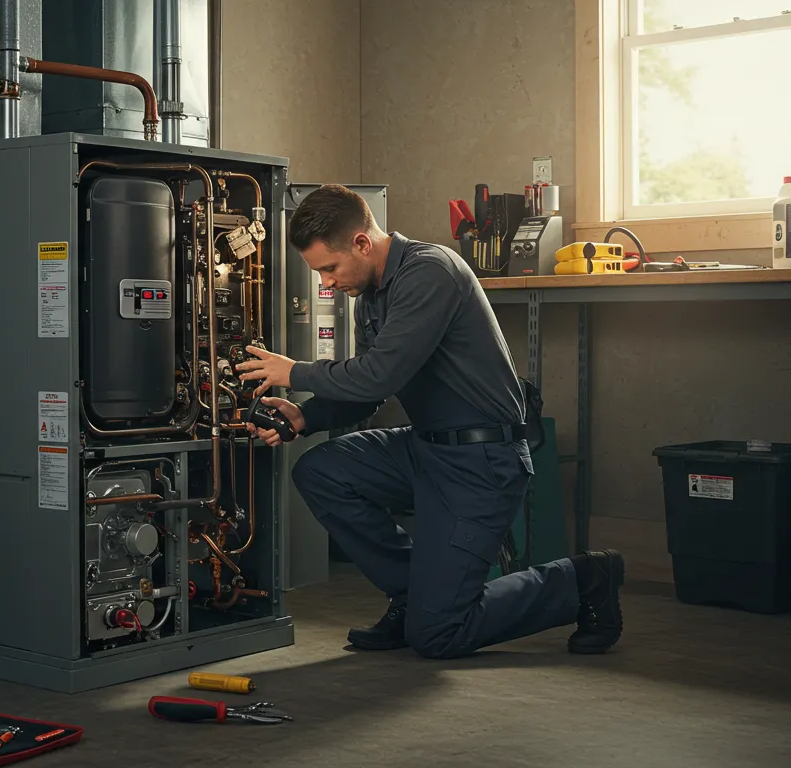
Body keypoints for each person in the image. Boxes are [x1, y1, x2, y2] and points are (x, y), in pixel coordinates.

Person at [235, 184, 625, 659]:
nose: (326, 284)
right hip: (427, 450)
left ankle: (585, 579)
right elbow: (368, 393)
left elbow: (381, 373)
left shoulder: (429, 271)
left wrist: (292, 371)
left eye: (329, 269)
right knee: (321, 470)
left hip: (482, 463)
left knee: (439, 634)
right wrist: (304, 415)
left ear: (361, 242)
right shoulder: (373, 297)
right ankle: (409, 596)